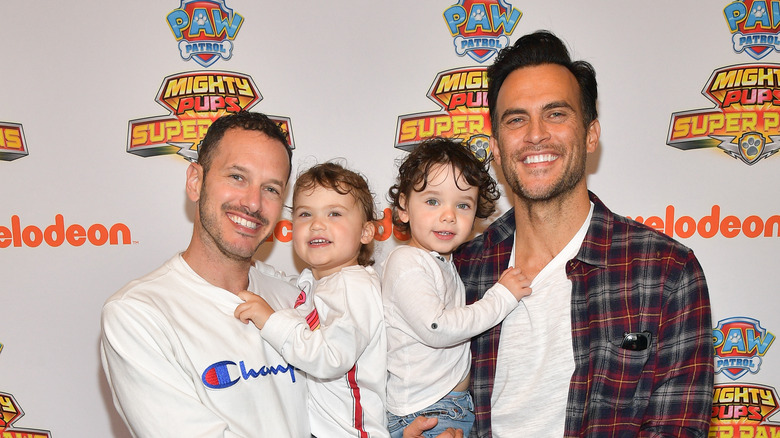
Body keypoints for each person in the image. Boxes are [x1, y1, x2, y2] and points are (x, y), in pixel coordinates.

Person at [453, 30, 715, 437]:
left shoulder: (665, 272)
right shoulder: (460, 271)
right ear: (497, 147)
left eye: (556, 114)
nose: (535, 133)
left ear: (591, 134)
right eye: (516, 119)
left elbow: (676, 427)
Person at [100, 111, 310, 437]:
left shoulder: (294, 297)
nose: (253, 203)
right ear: (195, 181)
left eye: (270, 189)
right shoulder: (138, 313)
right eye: (237, 177)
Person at [382, 138, 532, 438]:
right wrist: (501, 297)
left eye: (462, 205)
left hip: (447, 406)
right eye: (433, 201)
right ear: (403, 208)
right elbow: (437, 327)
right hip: (427, 412)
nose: (449, 215)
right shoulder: (407, 261)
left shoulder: (442, 261)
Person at [234, 162, 389, 437]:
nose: (317, 224)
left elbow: (330, 358)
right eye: (305, 214)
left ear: (366, 232)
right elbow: (285, 283)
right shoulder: (316, 280)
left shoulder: (355, 286)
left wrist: (270, 320)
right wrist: (243, 264)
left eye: (334, 213)